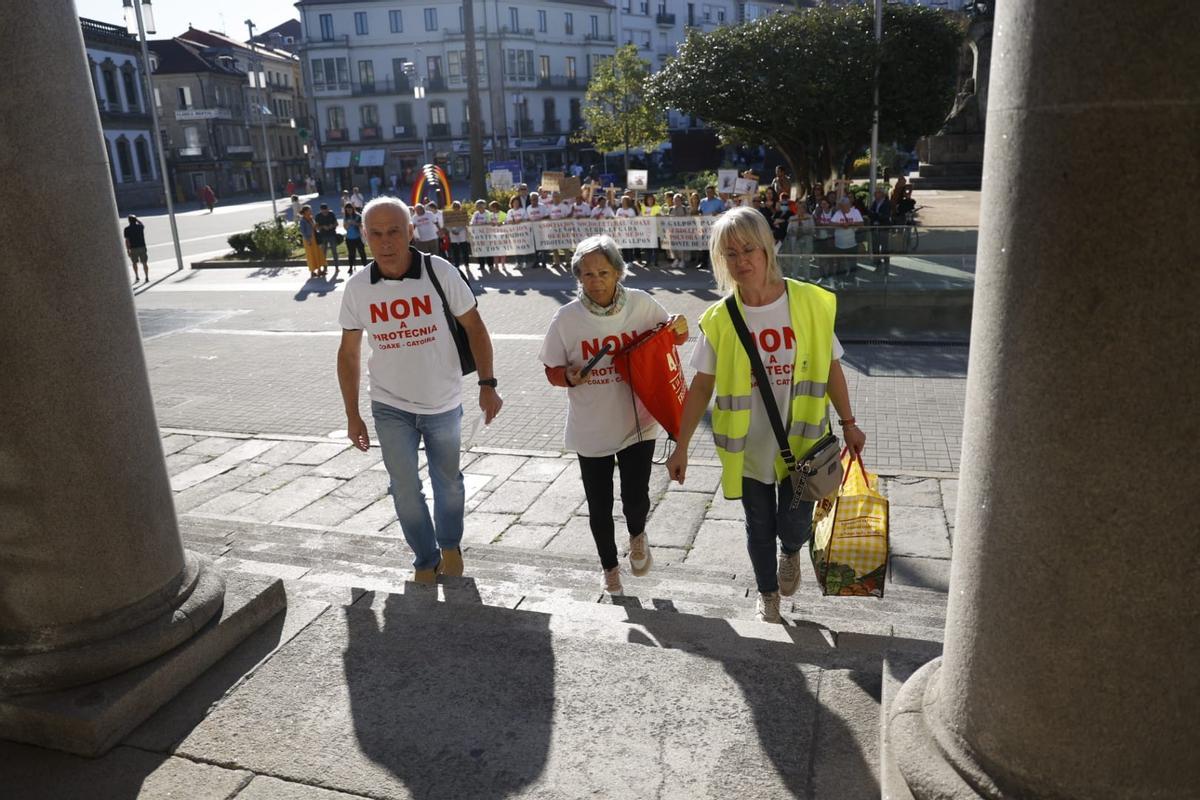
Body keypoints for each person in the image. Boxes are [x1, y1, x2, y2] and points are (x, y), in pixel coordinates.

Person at [665, 207, 866, 623]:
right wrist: (681, 445)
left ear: (767, 249)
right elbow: (701, 386)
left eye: (748, 249)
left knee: (793, 527)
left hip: (803, 445)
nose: (741, 261)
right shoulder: (719, 319)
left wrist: (849, 423)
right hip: (749, 450)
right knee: (758, 526)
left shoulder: (809, 302)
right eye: (730, 253)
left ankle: (790, 552)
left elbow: (831, 367)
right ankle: (767, 591)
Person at [336, 197, 504, 584]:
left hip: (442, 402)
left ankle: (449, 543)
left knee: (449, 482)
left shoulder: (439, 272)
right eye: (375, 233)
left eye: (394, 230)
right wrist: (352, 414)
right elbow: (348, 354)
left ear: (411, 231)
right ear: (364, 237)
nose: (386, 241)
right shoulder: (358, 288)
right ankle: (425, 559)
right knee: (404, 488)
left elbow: (476, 328)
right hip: (389, 405)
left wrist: (487, 384)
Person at [539, 235, 688, 595]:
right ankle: (609, 568)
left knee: (635, 499)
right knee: (599, 506)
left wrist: (681, 328)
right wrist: (569, 377)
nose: (596, 281)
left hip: (638, 421)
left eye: (603, 272)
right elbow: (551, 369)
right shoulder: (566, 318)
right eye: (587, 274)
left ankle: (637, 534)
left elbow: (671, 337)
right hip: (591, 427)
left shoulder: (641, 304)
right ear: (578, 277)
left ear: (619, 272)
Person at [830, 195, 863, 276]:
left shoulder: (855, 212)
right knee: (839, 265)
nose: (842, 208)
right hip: (839, 245)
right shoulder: (838, 213)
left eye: (844, 206)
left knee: (852, 264)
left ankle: (852, 279)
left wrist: (851, 223)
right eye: (841, 206)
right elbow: (831, 223)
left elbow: (861, 223)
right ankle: (840, 279)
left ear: (848, 205)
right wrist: (841, 225)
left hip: (852, 244)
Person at [868, 188, 893, 274]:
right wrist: (874, 216)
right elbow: (870, 213)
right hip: (875, 228)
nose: (875, 195)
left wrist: (876, 216)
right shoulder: (874, 203)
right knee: (875, 248)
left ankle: (886, 267)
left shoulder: (887, 203)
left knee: (885, 248)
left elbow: (885, 216)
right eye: (875, 193)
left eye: (877, 193)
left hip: (883, 228)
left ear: (882, 194)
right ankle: (878, 266)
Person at [298, 205, 326, 278]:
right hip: (308, 239)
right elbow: (303, 232)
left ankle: (319, 270)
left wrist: (316, 225)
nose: (311, 211)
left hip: (315, 238)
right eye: (309, 210)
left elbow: (314, 228)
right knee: (311, 255)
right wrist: (308, 240)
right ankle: (312, 271)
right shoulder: (302, 220)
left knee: (318, 253)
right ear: (305, 211)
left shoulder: (311, 218)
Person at [446, 200, 471, 277]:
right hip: (453, 236)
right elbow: (447, 224)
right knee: (455, 252)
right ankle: (457, 265)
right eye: (455, 207)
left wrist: (458, 230)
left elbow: (465, 223)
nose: (456, 208)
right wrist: (452, 231)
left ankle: (467, 265)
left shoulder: (463, 214)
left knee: (465, 251)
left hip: (462, 235)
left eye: (457, 207)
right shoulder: (449, 215)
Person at [470, 199, 494, 273]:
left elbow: (490, 223)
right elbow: (472, 223)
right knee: (480, 251)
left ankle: (490, 265)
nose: (480, 207)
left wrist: (482, 224)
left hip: (487, 235)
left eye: (481, 205)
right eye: (478, 206)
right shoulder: (476, 214)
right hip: (478, 236)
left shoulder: (488, 214)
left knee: (488, 250)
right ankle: (481, 265)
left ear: (484, 206)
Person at [314, 203, 340, 270]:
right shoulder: (318, 216)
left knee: (334, 252)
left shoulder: (331, 214)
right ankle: (325, 267)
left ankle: (337, 267)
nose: (325, 212)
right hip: (323, 236)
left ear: (328, 209)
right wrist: (323, 227)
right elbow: (316, 227)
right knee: (323, 253)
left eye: (326, 210)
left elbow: (336, 223)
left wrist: (332, 225)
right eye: (324, 211)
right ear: (321, 210)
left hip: (332, 235)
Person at [525, 191, 548, 269]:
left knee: (543, 246)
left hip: (542, 229)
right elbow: (527, 218)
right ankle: (536, 262)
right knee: (535, 247)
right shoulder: (528, 208)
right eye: (532, 199)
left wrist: (540, 219)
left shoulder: (543, 206)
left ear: (538, 199)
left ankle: (544, 262)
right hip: (533, 230)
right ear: (530, 200)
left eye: (535, 199)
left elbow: (547, 216)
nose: (534, 201)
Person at [123, 215, 149, 282]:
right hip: (142, 246)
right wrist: (137, 220)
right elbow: (142, 224)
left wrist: (128, 250)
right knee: (144, 263)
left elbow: (127, 241)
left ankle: (137, 276)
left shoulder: (126, 229)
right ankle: (146, 277)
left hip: (133, 248)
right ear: (135, 220)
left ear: (129, 221)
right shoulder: (140, 227)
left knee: (134, 263)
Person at [343, 203, 366, 274]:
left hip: (358, 238)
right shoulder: (346, 217)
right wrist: (347, 224)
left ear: (353, 209)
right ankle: (350, 267)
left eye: (350, 209)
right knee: (351, 254)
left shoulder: (358, 216)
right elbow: (345, 228)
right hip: (349, 238)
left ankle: (365, 266)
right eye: (347, 210)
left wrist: (354, 223)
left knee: (362, 252)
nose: (348, 211)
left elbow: (362, 225)